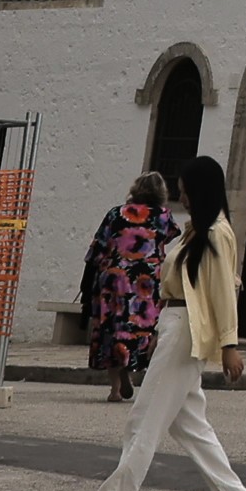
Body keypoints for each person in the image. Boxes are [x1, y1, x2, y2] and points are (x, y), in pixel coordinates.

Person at [71, 154, 246, 491]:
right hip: (177, 323)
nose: (182, 198)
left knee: (145, 421)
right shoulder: (198, 230)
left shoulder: (215, 232)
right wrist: (160, 330)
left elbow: (222, 290)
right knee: (188, 423)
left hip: (187, 327)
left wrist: (229, 343)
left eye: (186, 191)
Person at [77, 173, 176, 404]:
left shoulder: (115, 213)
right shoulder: (163, 217)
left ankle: (115, 389)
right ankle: (130, 366)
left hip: (114, 280)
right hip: (145, 281)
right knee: (142, 329)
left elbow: (97, 248)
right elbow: (168, 238)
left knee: (113, 329)